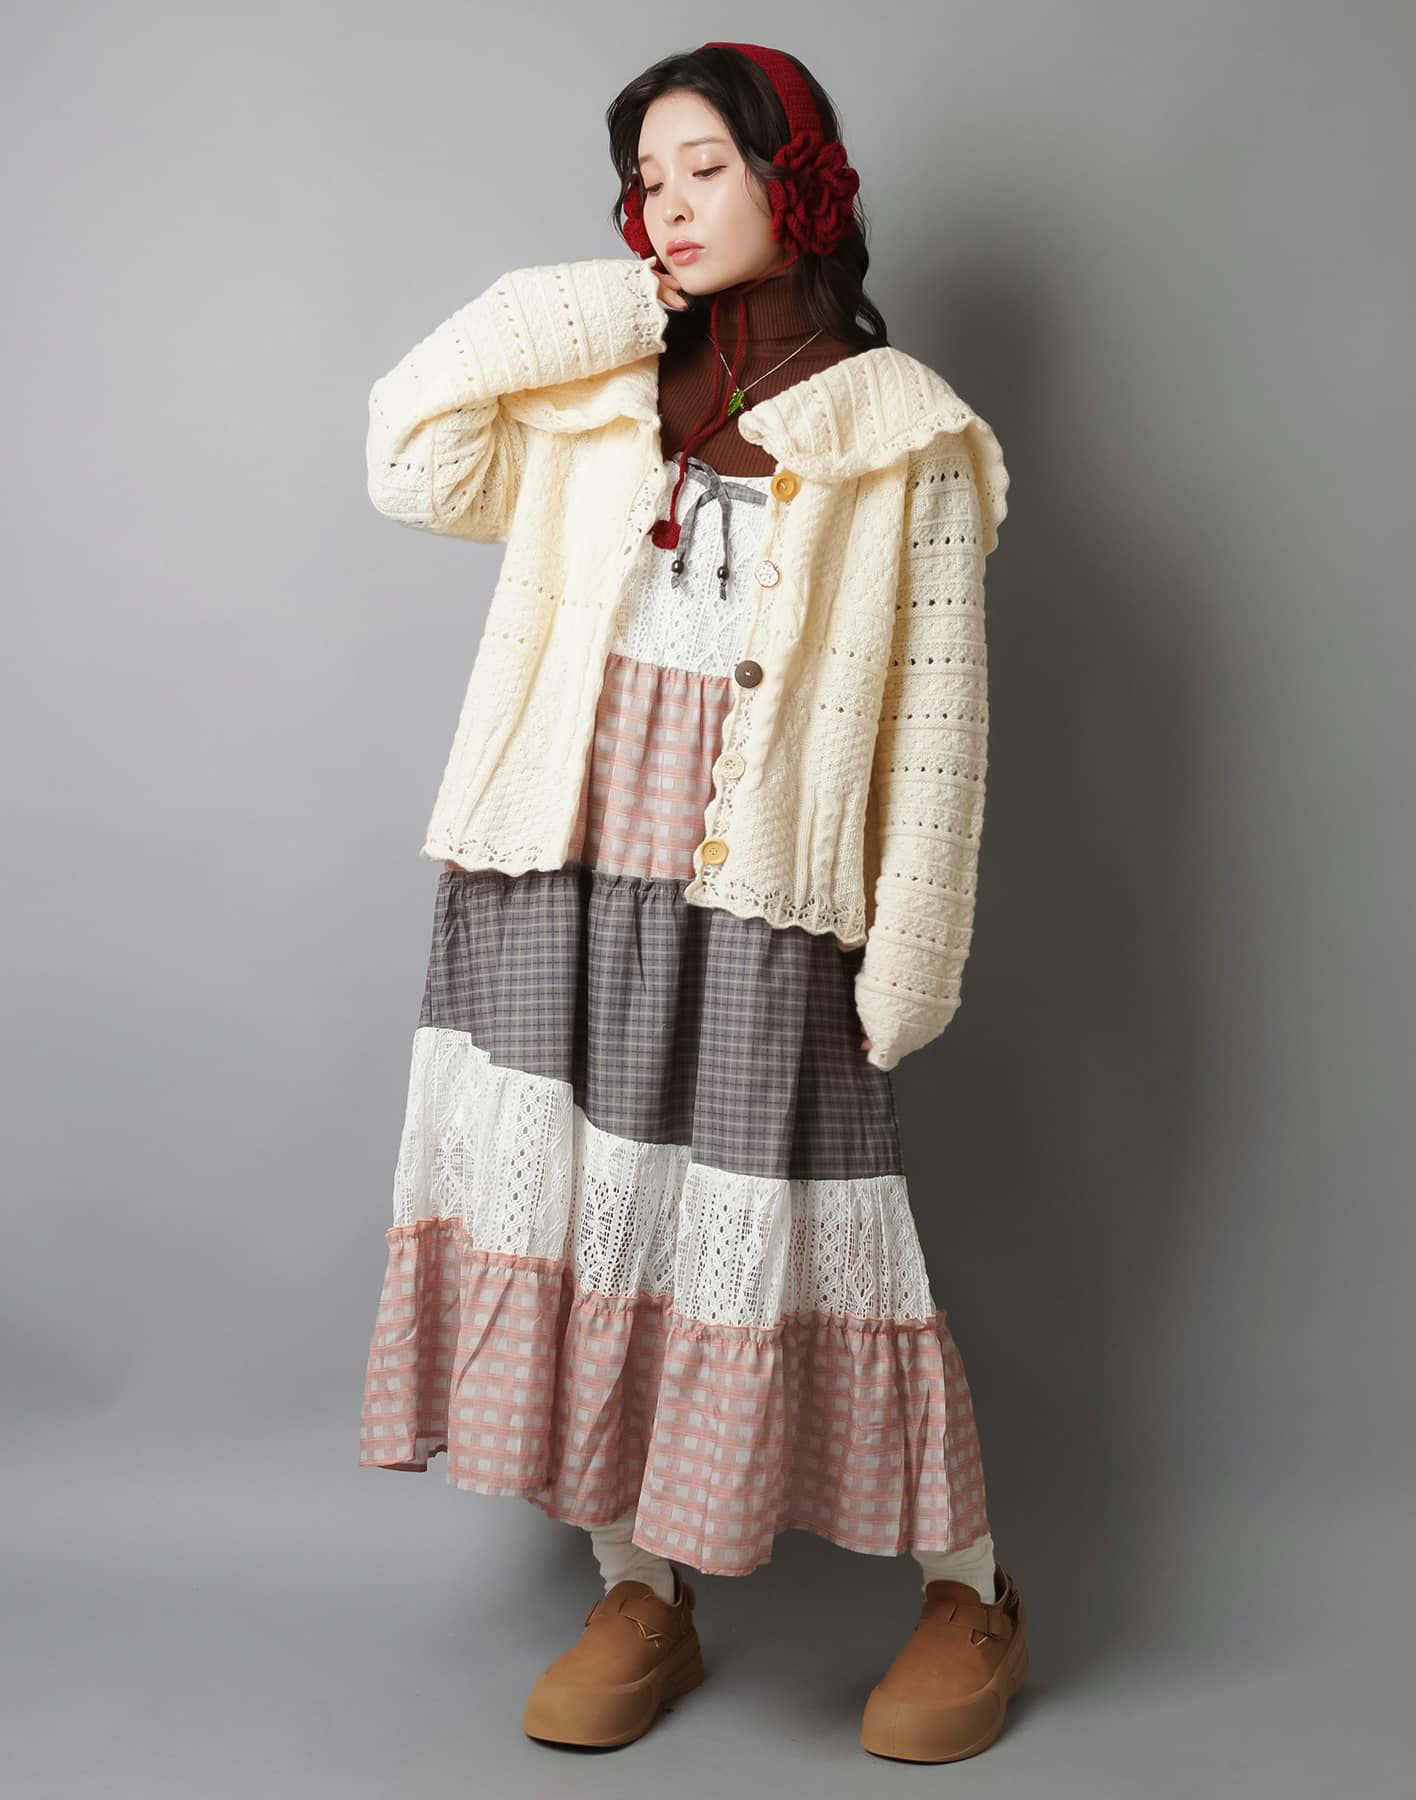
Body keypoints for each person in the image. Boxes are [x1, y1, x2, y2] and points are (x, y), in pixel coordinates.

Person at [357, 40, 1028, 1764]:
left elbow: (937, 726)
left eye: (704, 167)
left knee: (820, 1240)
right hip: (552, 867)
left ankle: (971, 1589)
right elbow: (409, 452)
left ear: (796, 179)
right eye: (643, 179)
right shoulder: (594, 386)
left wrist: (912, 950)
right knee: (578, 1216)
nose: (665, 205)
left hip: (757, 900)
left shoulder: (904, 429)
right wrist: (599, 297)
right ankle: (638, 1585)